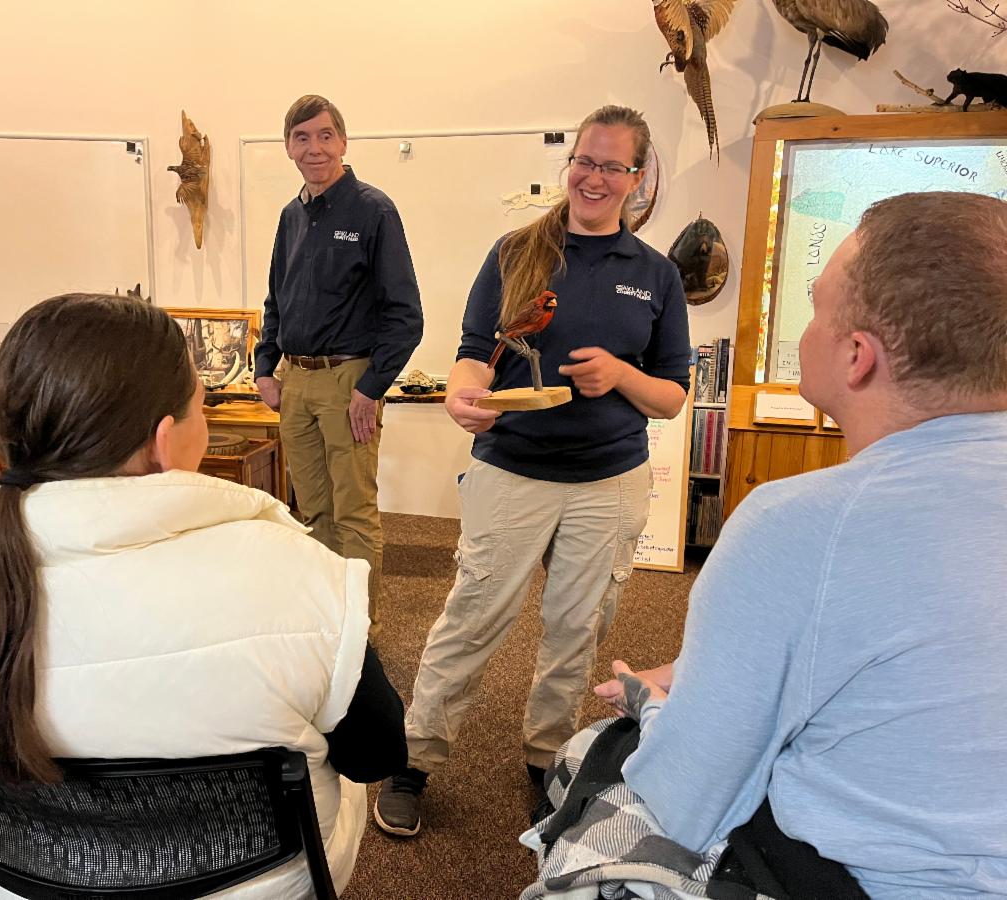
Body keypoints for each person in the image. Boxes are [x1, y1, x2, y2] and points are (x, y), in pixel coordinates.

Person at [0, 294, 406, 897]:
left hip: (28, 883)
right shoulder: (304, 581)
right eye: (202, 406)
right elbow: (374, 756)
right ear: (166, 441)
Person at [598, 191, 1007, 896]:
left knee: (601, 765)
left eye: (816, 307)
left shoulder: (800, 524)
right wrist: (710, 669)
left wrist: (654, 705)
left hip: (871, 881)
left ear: (857, 356)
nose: (806, 330)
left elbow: (687, 795)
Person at [374, 105, 691, 837]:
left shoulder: (657, 275)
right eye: (586, 160)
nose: (595, 176)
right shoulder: (516, 250)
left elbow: (672, 395)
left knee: (576, 629)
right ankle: (414, 760)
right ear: (569, 164)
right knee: (473, 616)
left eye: (614, 165)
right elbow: (471, 348)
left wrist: (619, 374)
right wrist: (460, 394)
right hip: (512, 469)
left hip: (609, 479)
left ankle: (547, 760)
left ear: (637, 180)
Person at [253, 95, 424, 642]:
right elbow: (276, 299)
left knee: (353, 513)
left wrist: (371, 389)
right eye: (302, 138)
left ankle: (359, 631)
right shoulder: (291, 216)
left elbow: (406, 315)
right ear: (288, 148)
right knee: (313, 511)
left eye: (325, 136)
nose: (314, 148)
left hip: (350, 381)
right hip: (296, 384)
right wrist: (264, 368)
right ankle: (325, 617)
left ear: (344, 142)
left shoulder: (374, 211)